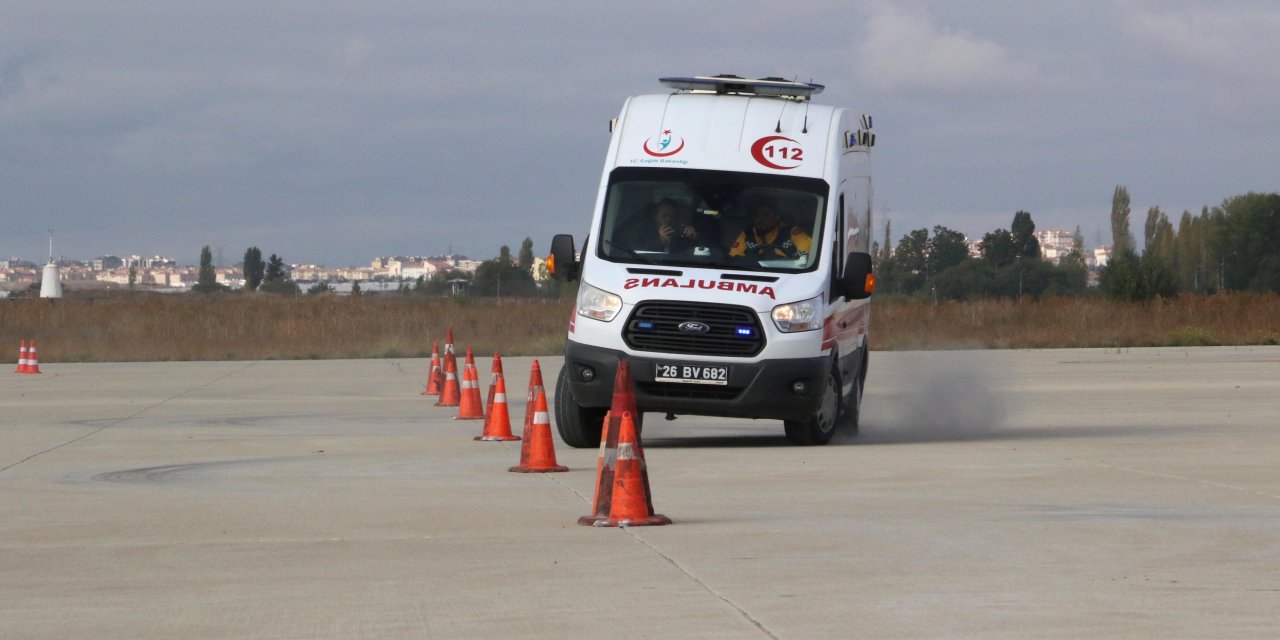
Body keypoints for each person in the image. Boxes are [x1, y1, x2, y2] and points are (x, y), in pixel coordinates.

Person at [728, 198, 811, 259]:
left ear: (777, 217)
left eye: (766, 215)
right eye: (757, 215)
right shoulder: (748, 233)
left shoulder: (790, 231)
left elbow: (806, 245)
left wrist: (798, 258)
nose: (761, 219)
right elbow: (734, 256)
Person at [632, 198, 699, 253]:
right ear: (656, 217)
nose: (669, 219)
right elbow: (637, 252)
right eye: (665, 216)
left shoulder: (681, 233)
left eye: (673, 216)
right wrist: (660, 240)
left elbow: (692, 253)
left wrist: (694, 238)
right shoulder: (643, 232)